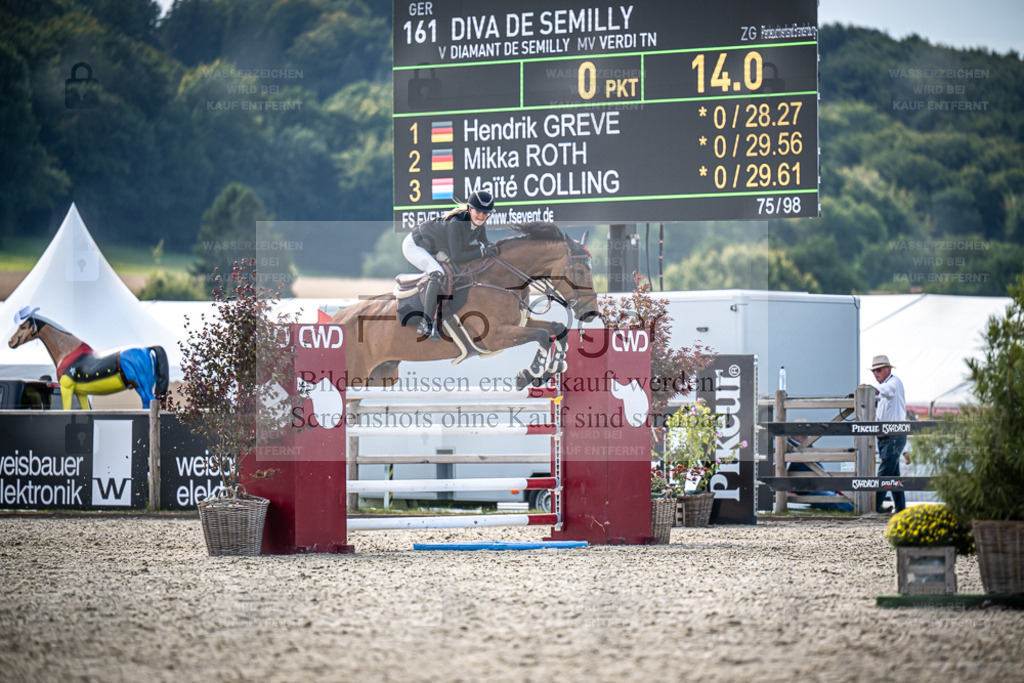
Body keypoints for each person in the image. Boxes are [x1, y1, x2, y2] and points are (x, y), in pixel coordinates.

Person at [402, 190, 498, 341]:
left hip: (438, 248)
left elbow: (484, 245)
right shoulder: (456, 224)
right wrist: (481, 252)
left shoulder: (479, 224)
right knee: (437, 272)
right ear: (470, 209)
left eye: (486, 213)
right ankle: (426, 323)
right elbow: (458, 256)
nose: (481, 216)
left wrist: (491, 249)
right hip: (415, 246)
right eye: (478, 211)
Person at [870, 354, 907, 513]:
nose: (876, 374)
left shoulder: (893, 382)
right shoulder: (890, 385)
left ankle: (874, 507)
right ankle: (900, 509)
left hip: (892, 436)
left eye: (878, 370)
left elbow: (884, 389)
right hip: (890, 437)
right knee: (892, 473)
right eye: (874, 371)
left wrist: (868, 390)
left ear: (888, 369)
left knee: (885, 472)